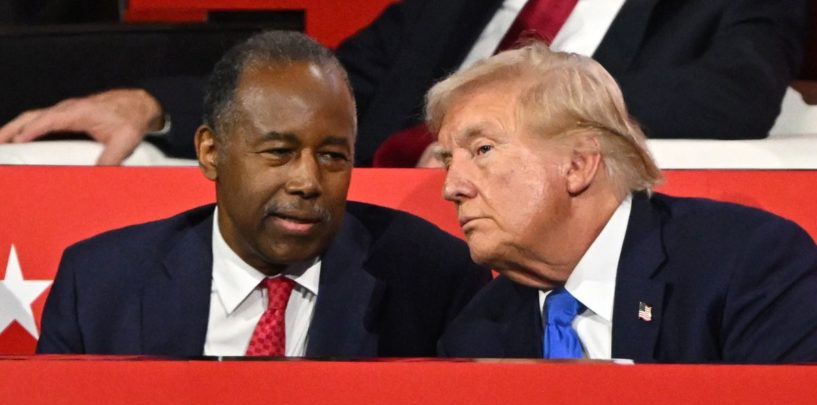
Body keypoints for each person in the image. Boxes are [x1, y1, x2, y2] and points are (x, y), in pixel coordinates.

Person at [36, 30, 491, 357]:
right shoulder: (99, 284)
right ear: (211, 152)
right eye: (279, 152)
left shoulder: (433, 281)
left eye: (333, 156)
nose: (308, 182)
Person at [0, 0, 809, 166]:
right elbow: (330, 80)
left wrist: (510, 126)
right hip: (365, 237)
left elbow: (733, 95)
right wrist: (155, 105)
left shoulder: (720, 9)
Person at [428, 41, 817, 363]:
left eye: (482, 150)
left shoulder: (746, 265)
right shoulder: (476, 335)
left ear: (578, 164)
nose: (452, 187)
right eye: (448, 161)